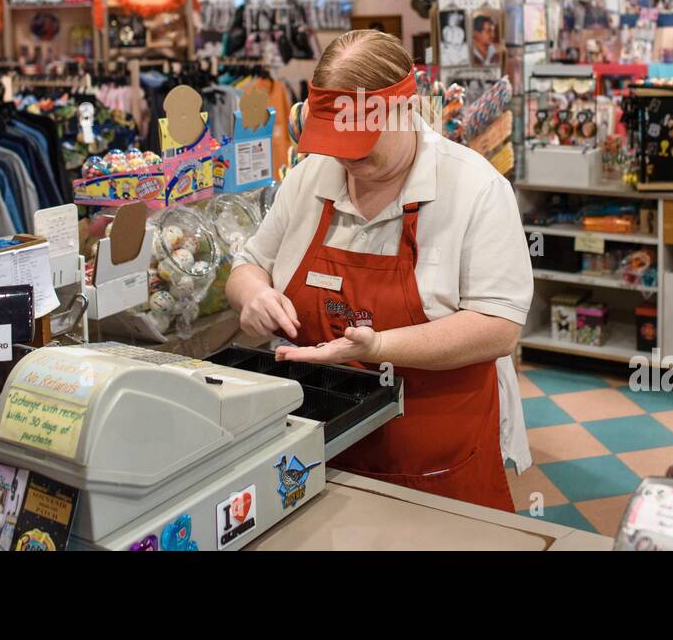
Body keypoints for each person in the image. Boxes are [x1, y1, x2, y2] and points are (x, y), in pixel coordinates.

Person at [226, 30, 532, 511]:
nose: (347, 156)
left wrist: (382, 345)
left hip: (434, 461)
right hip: (316, 450)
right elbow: (248, 267)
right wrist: (252, 298)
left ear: (405, 108)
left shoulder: (475, 189)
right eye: (335, 140)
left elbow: (498, 328)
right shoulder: (311, 177)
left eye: (361, 141)